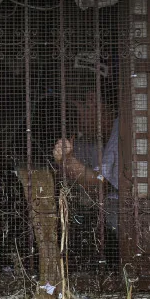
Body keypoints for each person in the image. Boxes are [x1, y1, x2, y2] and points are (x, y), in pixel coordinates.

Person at [51, 72, 119, 234]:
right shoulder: (90, 139)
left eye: (76, 111)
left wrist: (67, 160)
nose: (75, 120)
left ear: (92, 101)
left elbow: (101, 183)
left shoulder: (121, 129)